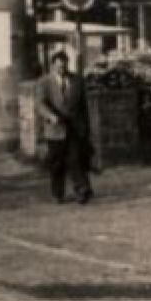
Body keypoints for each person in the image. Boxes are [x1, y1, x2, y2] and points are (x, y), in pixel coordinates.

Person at [36, 51, 94, 204]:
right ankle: (57, 193)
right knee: (57, 163)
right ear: (53, 65)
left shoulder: (77, 81)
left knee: (76, 159)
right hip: (55, 130)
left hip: (74, 127)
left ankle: (82, 189)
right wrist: (51, 116)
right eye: (59, 66)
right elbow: (40, 104)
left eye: (64, 65)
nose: (62, 69)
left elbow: (84, 106)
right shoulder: (44, 82)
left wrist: (86, 128)